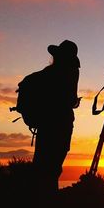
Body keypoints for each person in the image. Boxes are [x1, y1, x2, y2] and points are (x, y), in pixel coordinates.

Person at [33, 40, 81, 193]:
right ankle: (48, 206)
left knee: (42, 168)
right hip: (62, 126)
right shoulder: (71, 72)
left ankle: (42, 204)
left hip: (46, 125)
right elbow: (70, 100)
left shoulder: (47, 73)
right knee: (53, 169)